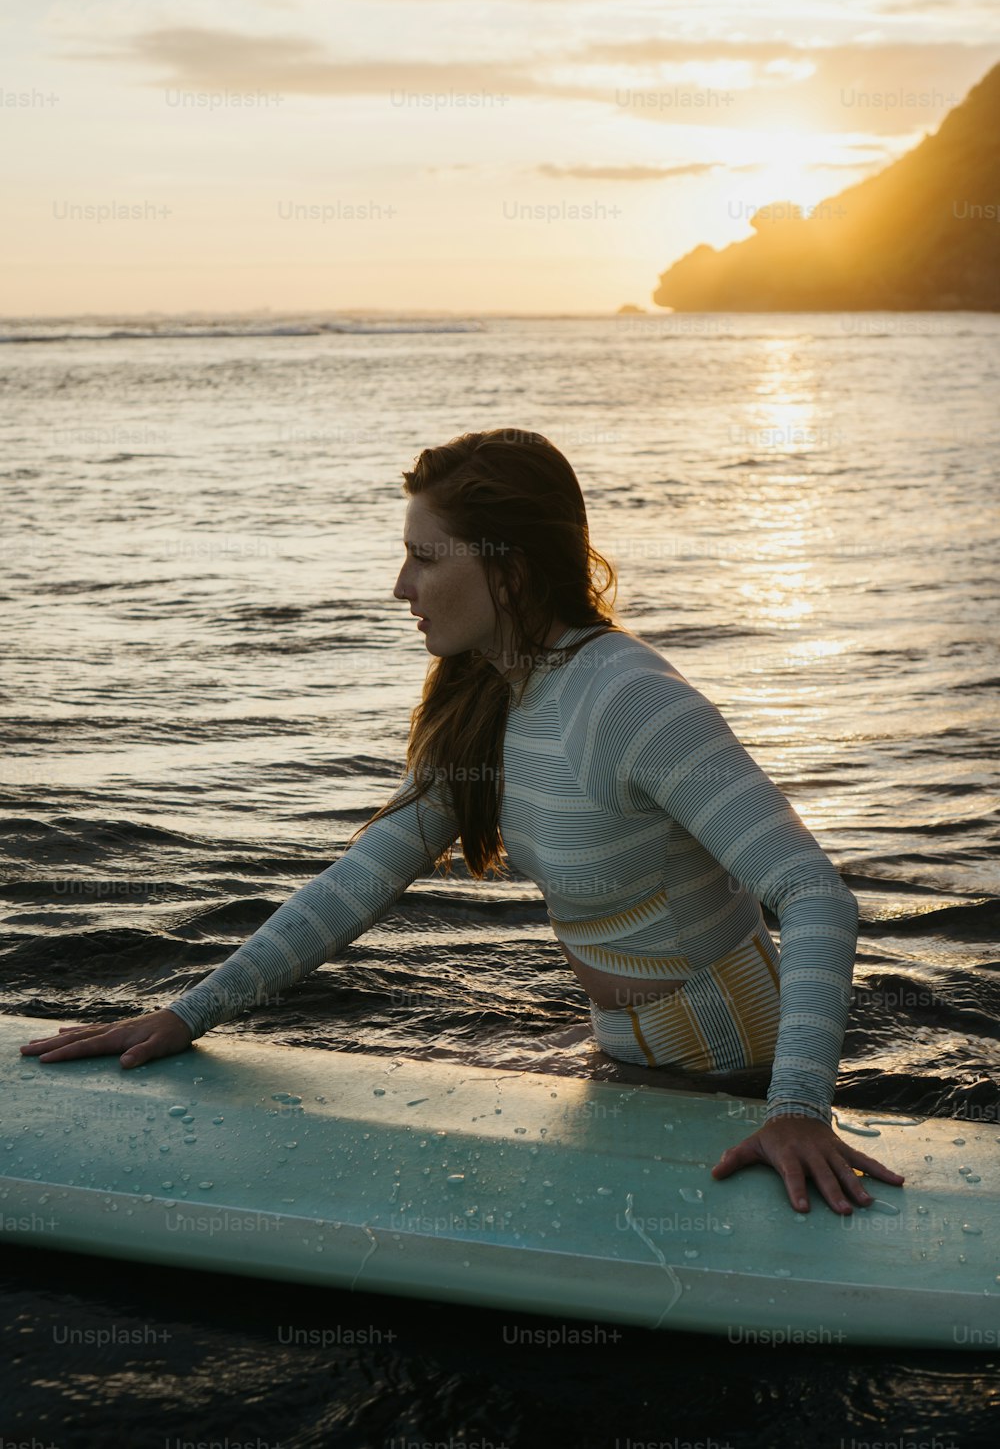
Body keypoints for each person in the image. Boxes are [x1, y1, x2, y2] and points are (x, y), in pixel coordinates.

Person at [21, 427, 904, 1216]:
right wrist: (188, 1015)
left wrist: (795, 1111)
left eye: (424, 558)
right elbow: (360, 882)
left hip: (738, 1072)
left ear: (508, 568)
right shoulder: (492, 696)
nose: (399, 585)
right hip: (632, 1066)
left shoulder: (633, 700)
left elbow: (814, 894)